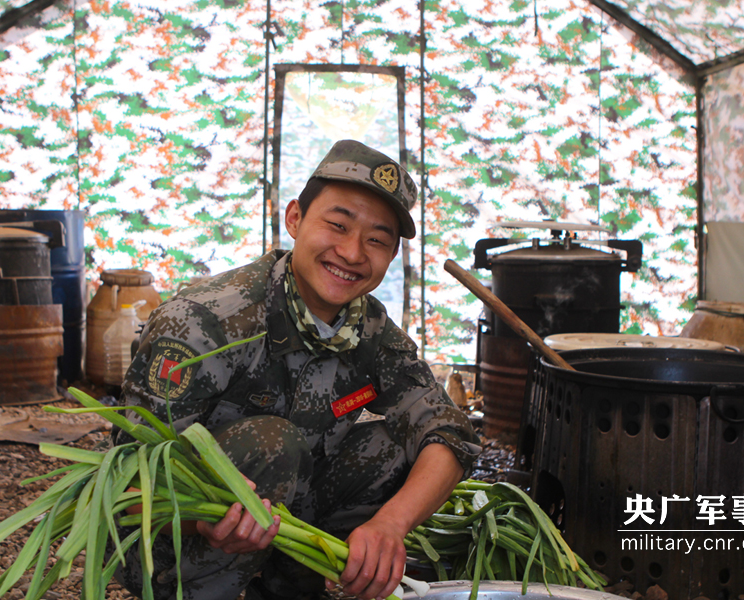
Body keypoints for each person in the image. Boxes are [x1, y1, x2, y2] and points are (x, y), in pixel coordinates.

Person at [115, 139, 480, 600]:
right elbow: (128, 484)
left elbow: (449, 431)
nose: (352, 253)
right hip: (169, 541)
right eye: (337, 225)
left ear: (391, 256)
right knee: (273, 444)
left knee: (393, 445)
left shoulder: (369, 329)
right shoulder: (205, 321)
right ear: (295, 219)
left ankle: (293, 591)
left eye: (376, 240)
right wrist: (203, 518)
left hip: (280, 524)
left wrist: (391, 524)